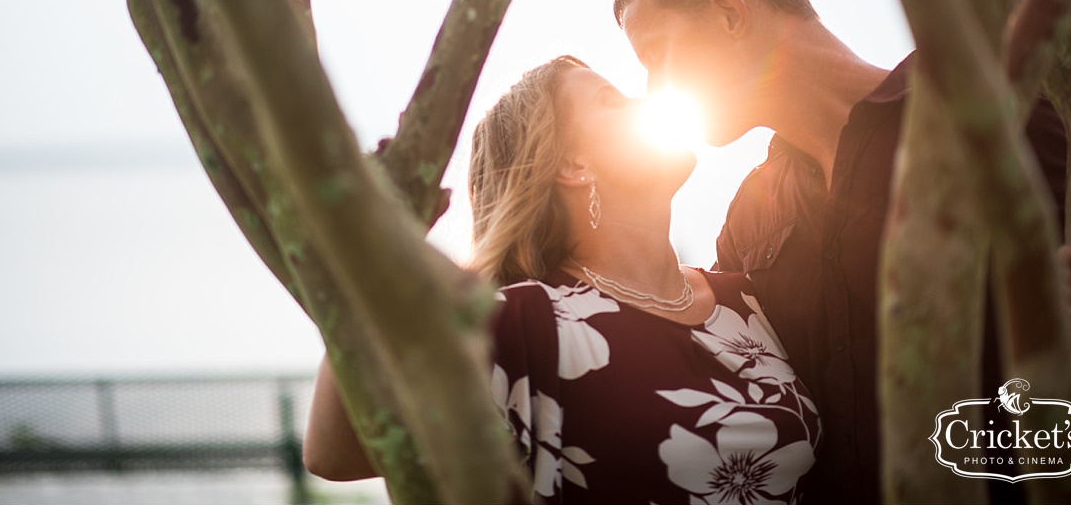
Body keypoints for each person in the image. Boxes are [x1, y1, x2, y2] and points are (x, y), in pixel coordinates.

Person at [612, 0, 1071, 504]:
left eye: (656, 56)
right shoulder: (748, 219)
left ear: (729, 13)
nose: (652, 90)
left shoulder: (992, 110)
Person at [304, 56, 821, 504]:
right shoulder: (523, 323)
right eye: (612, 101)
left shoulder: (746, 297)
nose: (646, 101)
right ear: (574, 164)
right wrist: (370, 253)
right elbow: (336, 453)